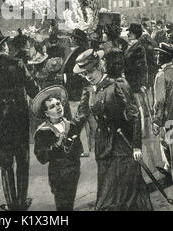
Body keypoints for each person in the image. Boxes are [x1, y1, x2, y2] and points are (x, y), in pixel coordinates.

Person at [73, 49, 153, 211]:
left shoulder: (117, 85)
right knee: (107, 191)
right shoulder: (88, 90)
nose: (88, 76)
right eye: (84, 73)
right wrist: (67, 132)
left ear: (100, 66)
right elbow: (81, 116)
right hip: (103, 147)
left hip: (122, 144)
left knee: (124, 194)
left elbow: (134, 116)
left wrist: (137, 146)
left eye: (91, 71)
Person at [0, 25, 39, 211]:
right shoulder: (18, 64)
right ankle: (21, 203)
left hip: (1, 120)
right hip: (20, 118)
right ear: (5, 47)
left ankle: (12, 205)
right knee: (22, 161)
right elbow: (34, 90)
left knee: (5, 164)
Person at [62, 28, 94, 153]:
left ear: (76, 39)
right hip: (77, 91)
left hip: (77, 92)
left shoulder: (80, 52)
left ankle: (84, 149)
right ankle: (87, 148)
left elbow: (80, 73)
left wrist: (66, 77)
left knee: (79, 120)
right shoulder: (80, 50)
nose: (70, 39)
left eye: (72, 37)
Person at [152, 43, 173, 183]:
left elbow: (159, 101)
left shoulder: (162, 75)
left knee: (167, 143)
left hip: (169, 119)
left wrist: (156, 121)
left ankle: (169, 169)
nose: (156, 56)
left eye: (159, 54)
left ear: (166, 56)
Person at [124, 23, 149, 135]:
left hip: (135, 82)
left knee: (139, 107)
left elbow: (143, 67)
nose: (128, 33)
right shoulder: (128, 46)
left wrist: (143, 83)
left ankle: (144, 131)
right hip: (128, 81)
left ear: (135, 34)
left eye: (131, 32)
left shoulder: (139, 47)